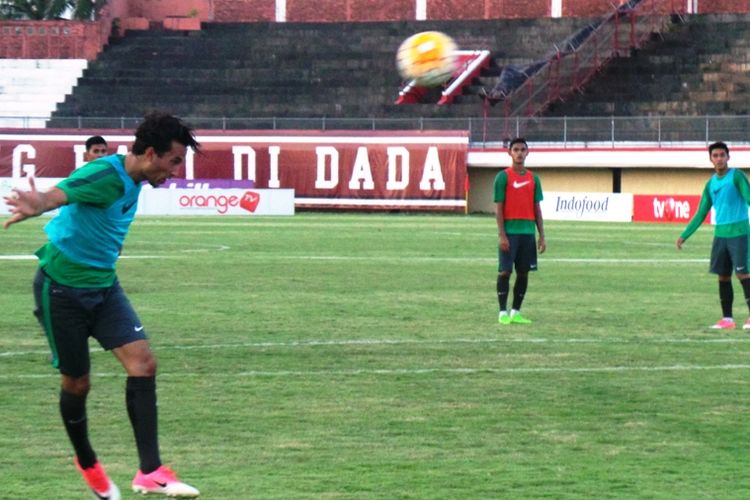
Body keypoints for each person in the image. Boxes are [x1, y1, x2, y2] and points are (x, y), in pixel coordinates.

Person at [3, 112, 201, 498]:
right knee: (77, 382)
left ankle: (150, 471)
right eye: (173, 161)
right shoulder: (104, 176)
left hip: (105, 288)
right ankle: (88, 462)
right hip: (62, 291)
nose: (176, 171)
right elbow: (62, 192)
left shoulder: (134, 177)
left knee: (143, 364)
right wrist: (39, 202)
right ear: (148, 153)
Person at [676, 140, 750, 330]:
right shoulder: (710, 184)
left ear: (728, 157)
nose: (719, 159)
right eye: (715, 156)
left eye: (722, 155)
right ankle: (728, 320)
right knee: (723, 277)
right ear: (711, 159)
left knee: (743, 274)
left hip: (740, 233)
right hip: (721, 235)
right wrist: (685, 234)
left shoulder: (737, 176)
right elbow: (701, 212)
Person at [493, 137, 546, 325]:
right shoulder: (503, 177)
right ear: (509, 152)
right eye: (515, 149)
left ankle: (516, 312)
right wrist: (502, 235)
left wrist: (541, 235)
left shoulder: (534, 178)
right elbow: (498, 208)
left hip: (527, 233)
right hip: (510, 232)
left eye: (523, 149)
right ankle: (502, 312)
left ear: (527, 152)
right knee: (505, 272)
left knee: (523, 272)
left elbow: (537, 208)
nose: (519, 153)